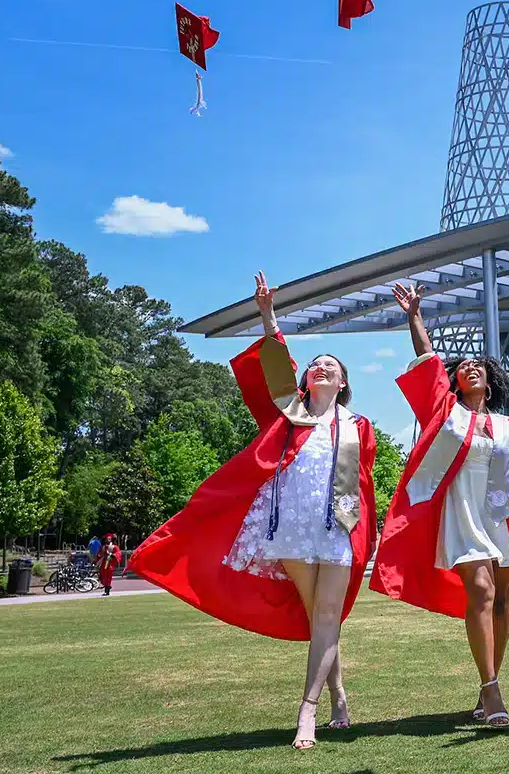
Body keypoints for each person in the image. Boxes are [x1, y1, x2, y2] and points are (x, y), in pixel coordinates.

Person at [128, 272, 380, 750]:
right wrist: (268, 315)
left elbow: (363, 484)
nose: (320, 368)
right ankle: (339, 694)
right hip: (292, 525)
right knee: (318, 618)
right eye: (315, 365)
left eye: (330, 366)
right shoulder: (290, 415)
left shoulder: (357, 426)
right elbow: (275, 366)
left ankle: (306, 713)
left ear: (343, 382)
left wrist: (362, 532)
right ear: (307, 379)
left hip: (338, 527)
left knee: (327, 613)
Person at [370, 282, 509, 729]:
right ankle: (492, 688)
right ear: (455, 380)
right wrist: (414, 315)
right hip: (461, 515)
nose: (470, 367)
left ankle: (487, 681)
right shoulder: (446, 415)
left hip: (501, 519)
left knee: (501, 602)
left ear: (490, 381)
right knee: (481, 591)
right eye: (465, 366)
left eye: (479, 365)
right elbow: (426, 363)